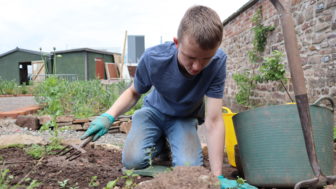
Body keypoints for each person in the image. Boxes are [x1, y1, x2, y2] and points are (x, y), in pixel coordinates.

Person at [81, 5, 256, 189]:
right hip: (153, 112)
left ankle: (169, 143)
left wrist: (217, 176)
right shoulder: (154, 58)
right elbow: (134, 91)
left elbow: (213, 120)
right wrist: (108, 116)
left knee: (189, 170)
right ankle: (159, 143)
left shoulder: (218, 62)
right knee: (133, 162)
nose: (196, 67)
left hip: (184, 117)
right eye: (190, 57)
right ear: (177, 42)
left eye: (205, 59)